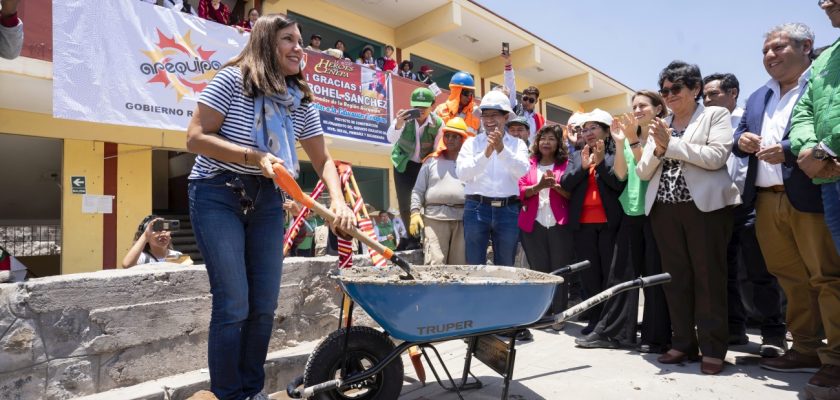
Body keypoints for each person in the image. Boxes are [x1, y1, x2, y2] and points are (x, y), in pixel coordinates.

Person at [184, 15, 354, 399]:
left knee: (263, 303)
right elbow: (195, 137)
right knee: (234, 301)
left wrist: (339, 202)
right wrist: (252, 156)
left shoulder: (300, 97)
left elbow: (323, 159)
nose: (299, 48)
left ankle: (251, 391)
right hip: (217, 192)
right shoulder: (230, 80)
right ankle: (229, 394)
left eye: (300, 41)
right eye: (289, 40)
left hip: (267, 199)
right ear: (265, 43)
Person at [636, 60, 741, 375]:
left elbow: (715, 157)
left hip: (704, 210)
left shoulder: (714, 115)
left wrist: (672, 145)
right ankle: (682, 342)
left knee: (708, 278)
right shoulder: (660, 122)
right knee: (675, 280)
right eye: (664, 90)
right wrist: (658, 148)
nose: (669, 95)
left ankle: (713, 348)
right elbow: (642, 170)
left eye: (676, 88)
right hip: (664, 210)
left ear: (695, 89)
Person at [577, 92, 672, 353]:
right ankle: (615, 333)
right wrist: (620, 143)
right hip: (629, 213)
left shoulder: (662, 133)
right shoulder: (628, 137)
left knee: (652, 278)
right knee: (620, 277)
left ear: (658, 109)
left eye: (643, 105)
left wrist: (630, 139)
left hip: (654, 212)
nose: (637, 109)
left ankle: (656, 337)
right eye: (634, 106)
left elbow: (647, 167)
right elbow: (621, 174)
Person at [704, 72, 787, 355]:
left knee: (759, 272)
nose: (707, 99)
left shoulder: (750, 119)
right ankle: (734, 330)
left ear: (733, 93)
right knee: (725, 274)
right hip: (719, 208)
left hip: (750, 203)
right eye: (704, 95)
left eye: (712, 93)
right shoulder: (703, 125)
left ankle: (774, 335)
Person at [781, 13, 840, 394]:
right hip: (829, 181)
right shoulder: (825, 59)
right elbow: (804, 115)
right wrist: (813, 149)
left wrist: (829, 146)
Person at [561, 109, 626, 340]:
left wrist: (599, 164)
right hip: (583, 225)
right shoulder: (578, 154)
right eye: (584, 129)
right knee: (590, 276)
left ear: (607, 131)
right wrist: (583, 166)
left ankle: (608, 323)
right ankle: (595, 319)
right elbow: (566, 183)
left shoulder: (616, 152)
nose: (587, 133)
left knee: (609, 274)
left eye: (593, 128)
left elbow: (619, 184)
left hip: (609, 224)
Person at [456, 90, 530, 267]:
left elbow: (522, 171)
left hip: (508, 210)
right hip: (476, 209)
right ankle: (477, 296)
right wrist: (486, 154)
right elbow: (462, 173)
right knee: (474, 264)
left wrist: (502, 149)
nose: (489, 120)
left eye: (494, 115)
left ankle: (503, 296)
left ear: (506, 117)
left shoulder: (518, 144)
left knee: (506, 265)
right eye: (485, 115)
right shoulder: (471, 143)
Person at [518, 124, 572, 331]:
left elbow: (572, 194)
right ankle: (542, 314)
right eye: (542, 139)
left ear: (558, 143)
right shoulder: (528, 164)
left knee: (560, 271)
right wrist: (539, 186)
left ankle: (559, 316)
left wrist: (555, 186)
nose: (546, 142)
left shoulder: (566, 164)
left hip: (559, 223)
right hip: (533, 223)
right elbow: (521, 191)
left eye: (551, 139)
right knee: (540, 270)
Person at [388, 87, 443, 250]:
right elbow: (391, 139)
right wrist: (398, 124)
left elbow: (437, 148)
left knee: (424, 202)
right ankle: (411, 238)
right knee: (405, 203)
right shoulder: (404, 118)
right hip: (403, 164)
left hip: (424, 165)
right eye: (417, 106)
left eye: (424, 107)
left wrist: (430, 170)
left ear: (432, 106)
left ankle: (424, 237)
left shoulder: (438, 123)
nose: (420, 111)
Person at [410, 117, 469, 265]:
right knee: (435, 264)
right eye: (447, 135)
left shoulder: (470, 163)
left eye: (455, 136)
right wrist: (415, 212)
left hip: (462, 220)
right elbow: (418, 190)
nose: (450, 139)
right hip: (434, 219)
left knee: (460, 266)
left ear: (463, 140)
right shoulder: (431, 161)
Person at [122, 215, 189, 268]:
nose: (163, 233)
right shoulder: (142, 258)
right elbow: (127, 265)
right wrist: (145, 235)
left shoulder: (177, 256)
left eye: (165, 229)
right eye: (157, 229)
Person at [435, 71, 480, 136]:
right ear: (456, 91)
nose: (469, 97)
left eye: (471, 94)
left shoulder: (477, 112)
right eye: (466, 93)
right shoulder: (440, 110)